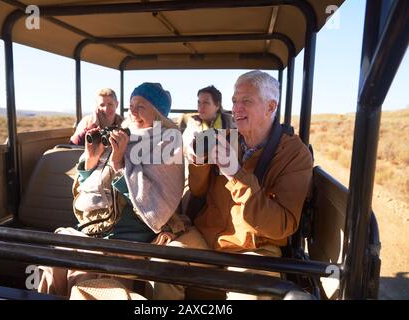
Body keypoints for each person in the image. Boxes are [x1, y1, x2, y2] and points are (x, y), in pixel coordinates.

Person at [152, 70, 313, 300]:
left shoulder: (295, 155)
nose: (236, 109)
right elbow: (197, 191)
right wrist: (197, 162)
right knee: (161, 263)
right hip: (209, 238)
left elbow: (281, 226)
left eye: (246, 101)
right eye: (234, 101)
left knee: (251, 294)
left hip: (255, 248)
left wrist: (235, 173)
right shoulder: (222, 137)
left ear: (270, 107)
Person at [38, 82, 186, 298]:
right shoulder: (119, 135)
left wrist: (119, 164)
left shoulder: (167, 144)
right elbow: (87, 187)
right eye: (131, 105)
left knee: (84, 277)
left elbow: (154, 206)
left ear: (157, 112)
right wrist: (92, 158)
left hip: (131, 236)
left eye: (141, 106)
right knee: (54, 263)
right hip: (95, 229)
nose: (133, 112)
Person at [179, 86, 236, 218]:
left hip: (223, 178)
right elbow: (185, 150)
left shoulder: (231, 125)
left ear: (217, 105)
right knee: (192, 200)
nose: (201, 107)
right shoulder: (192, 125)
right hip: (197, 176)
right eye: (199, 102)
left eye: (206, 102)